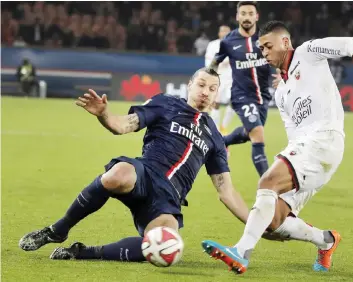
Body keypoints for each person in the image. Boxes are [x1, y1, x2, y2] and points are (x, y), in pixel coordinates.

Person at [202, 21, 353, 274]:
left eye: (268, 46)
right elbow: (294, 134)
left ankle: (241, 252)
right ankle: (326, 240)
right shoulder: (281, 92)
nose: (264, 53)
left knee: (267, 183)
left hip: (325, 139)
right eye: (261, 49)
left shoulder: (308, 52)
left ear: (285, 42)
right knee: (274, 222)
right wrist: (291, 158)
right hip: (307, 150)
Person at [19, 68, 250, 262]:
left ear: (217, 94)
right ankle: (58, 230)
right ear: (189, 85)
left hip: (168, 199)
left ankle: (82, 252)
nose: (205, 92)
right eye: (201, 85)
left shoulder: (215, 138)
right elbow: (122, 126)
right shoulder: (165, 104)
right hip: (144, 174)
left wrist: (257, 225)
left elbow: (226, 191)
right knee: (116, 174)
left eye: (211, 88)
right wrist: (104, 115)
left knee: (168, 246)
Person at [208, 1, 276, 177]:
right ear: (237, 16)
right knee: (258, 136)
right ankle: (268, 186)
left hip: (263, 97)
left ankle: (222, 142)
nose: (246, 17)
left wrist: (283, 76)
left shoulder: (266, 37)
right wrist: (209, 80)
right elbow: (215, 62)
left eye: (250, 13)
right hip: (242, 96)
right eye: (243, 13)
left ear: (256, 16)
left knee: (249, 133)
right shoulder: (229, 41)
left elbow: (279, 59)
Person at [205, 24, 235, 135]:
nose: (225, 33)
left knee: (233, 102)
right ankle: (216, 128)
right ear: (219, 33)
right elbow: (209, 62)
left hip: (232, 78)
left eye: (227, 32)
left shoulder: (235, 45)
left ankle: (224, 126)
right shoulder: (212, 45)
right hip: (217, 78)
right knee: (215, 103)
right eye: (223, 31)